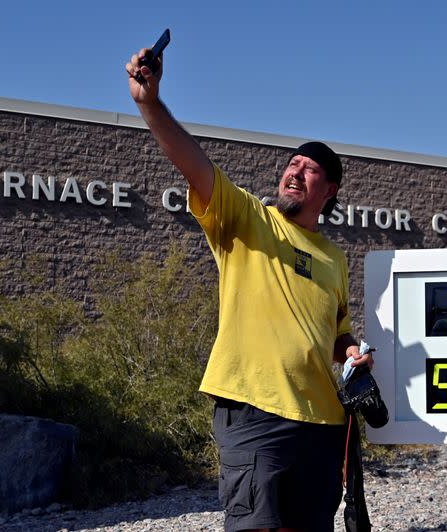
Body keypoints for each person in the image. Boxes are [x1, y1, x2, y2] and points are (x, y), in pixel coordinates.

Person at [126, 46, 373, 532]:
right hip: (254, 411)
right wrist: (150, 103)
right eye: (292, 164)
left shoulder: (335, 259)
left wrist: (352, 355)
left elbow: (337, 334)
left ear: (330, 191)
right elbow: (191, 162)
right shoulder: (246, 218)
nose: (294, 171)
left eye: (310, 169)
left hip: (323, 422)